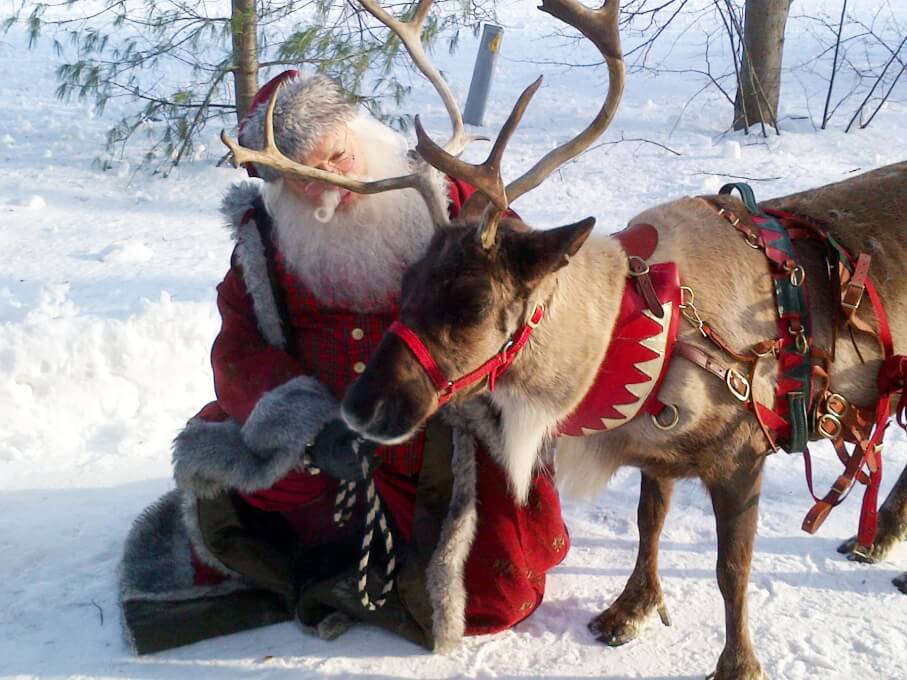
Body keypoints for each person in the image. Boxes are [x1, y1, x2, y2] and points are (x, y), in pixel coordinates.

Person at [119, 71, 570, 654]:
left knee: (490, 593)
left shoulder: (447, 201)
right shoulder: (264, 244)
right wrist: (309, 429)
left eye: (338, 156)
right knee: (234, 509)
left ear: (360, 132)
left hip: (435, 430)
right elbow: (237, 352)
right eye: (306, 178)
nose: (330, 184)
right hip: (328, 444)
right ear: (281, 184)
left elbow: (525, 288)